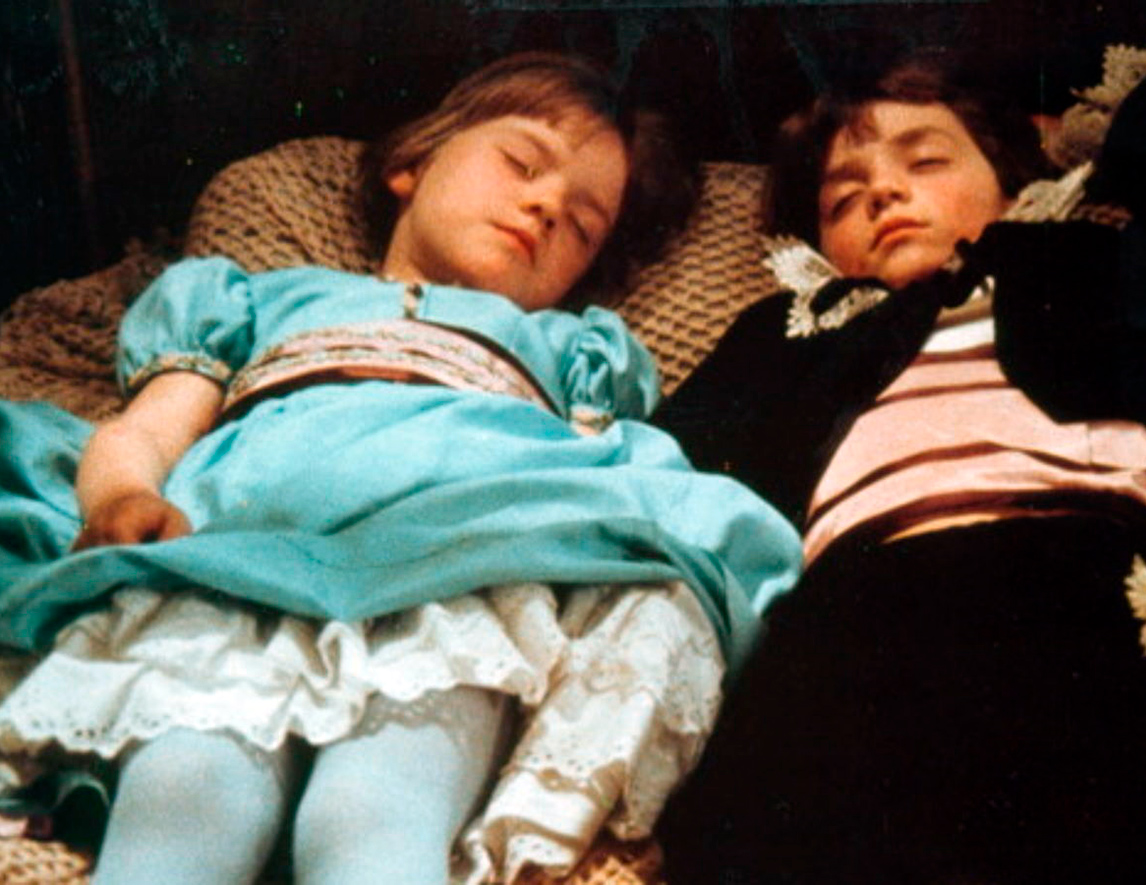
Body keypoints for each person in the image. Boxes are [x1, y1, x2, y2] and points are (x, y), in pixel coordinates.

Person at [0, 52, 801, 885]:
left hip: (451, 586)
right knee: (188, 799)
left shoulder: (569, 352)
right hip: (231, 568)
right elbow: (145, 428)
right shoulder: (262, 299)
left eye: (581, 225)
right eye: (522, 163)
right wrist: (123, 494)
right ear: (411, 165)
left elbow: (603, 482)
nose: (545, 206)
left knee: (371, 817)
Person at [651, 46, 1146, 884]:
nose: (881, 193)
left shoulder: (1083, 268)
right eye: (841, 198)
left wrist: (1071, 144)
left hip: (1080, 573)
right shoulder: (789, 333)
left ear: (1010, 182)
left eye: (925, 161)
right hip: (853, 608)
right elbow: (663, 467)